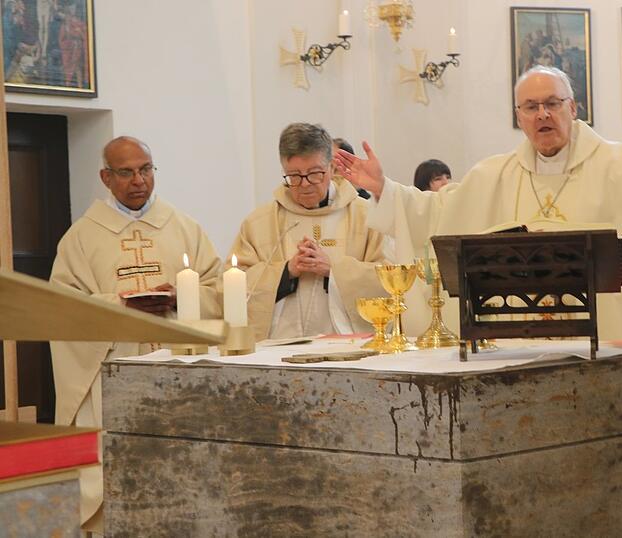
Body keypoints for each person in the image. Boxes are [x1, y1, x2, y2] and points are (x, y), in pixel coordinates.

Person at [335, 65, 622, 341]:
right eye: (531, 106)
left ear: (572, 108)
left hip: (599, 337)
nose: (542, 114)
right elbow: (437, 212)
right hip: (517, 337)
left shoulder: (620, 166)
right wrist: (384, 187)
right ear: (519, 117)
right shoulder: (494, 175)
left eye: (552, 103)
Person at [49, 136, 222, 533]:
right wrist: (119, 303)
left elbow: (219, 292)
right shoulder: (80, 238)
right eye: (126, 172)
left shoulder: (184, 227)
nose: (139, 180)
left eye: (146, 169)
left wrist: (182, 295)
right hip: (112, 374)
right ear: (105, 177)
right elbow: (62, 309)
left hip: (179, 372)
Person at [231, 123, 387, 340]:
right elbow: (233, 284)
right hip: (279, 347)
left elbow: (390, 279)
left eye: (314, 174)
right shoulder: (259, 222)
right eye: (294, 176)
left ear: (332, 168)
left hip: (347, 346)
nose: (304, 184)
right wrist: (286, 271)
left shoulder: (367, 217)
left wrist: (333, 270)